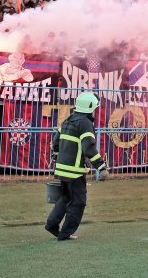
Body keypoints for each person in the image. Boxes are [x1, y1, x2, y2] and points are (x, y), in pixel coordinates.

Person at [45, 92, 108, 241]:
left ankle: (51, 224)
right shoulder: (85, 123)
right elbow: (89, 147)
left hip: (61, 169)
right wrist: (101, 167)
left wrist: (57, 158)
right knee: (79, 202)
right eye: (95, 108)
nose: (95, 111)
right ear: (90, 107)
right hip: (75, 171)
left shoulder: (68, 120)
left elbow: (55, 143)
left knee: (66, 197)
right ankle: (65, 234)